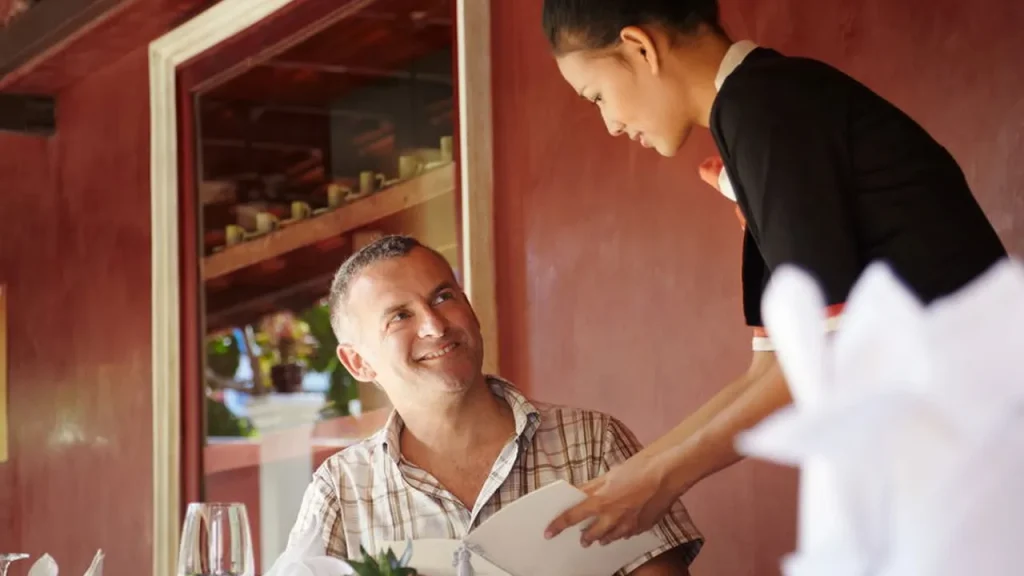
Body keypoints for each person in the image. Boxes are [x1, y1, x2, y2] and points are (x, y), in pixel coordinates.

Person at [541, 0, 1007, 548]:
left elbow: (816, 363)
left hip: (980, 449)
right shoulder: (757, 116)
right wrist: (632, 477)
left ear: (640, 48)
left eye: (597, 96)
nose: (610, 124)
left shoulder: (767, 110)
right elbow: (769, 373)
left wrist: (661, 479)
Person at [288, 235, 705, 575]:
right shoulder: (340, 490)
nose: (434, 325)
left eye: (443, 297)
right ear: (357, 362)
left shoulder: (593, 441)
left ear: (470, 309)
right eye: (399, 316)